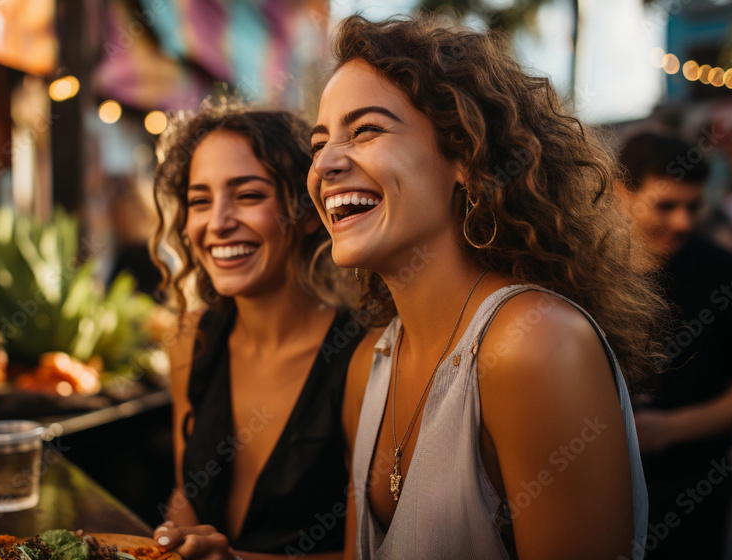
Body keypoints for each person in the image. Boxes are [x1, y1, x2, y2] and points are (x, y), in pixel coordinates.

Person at [307, 15, 669, 560]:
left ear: (467, 158)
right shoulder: (369, 364)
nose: (326, 163)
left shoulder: (536, 344)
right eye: (320, 141)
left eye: (366, 130)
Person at [148, 104, 373, 559]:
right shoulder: (191, 342)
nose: (217, 222)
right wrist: (176, 541)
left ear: (308, 213)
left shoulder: (363, 359)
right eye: (199, 201)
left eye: (248, 196)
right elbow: (188, 504)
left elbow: (366, 553)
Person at [616, 131, 732, 560]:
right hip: (596, 489)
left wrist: (665, 430)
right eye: (666, 205)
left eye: (693, 207)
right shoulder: (582, 271)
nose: (682, 222)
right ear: (622, 193)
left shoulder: (727, 274)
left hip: (695, 490)